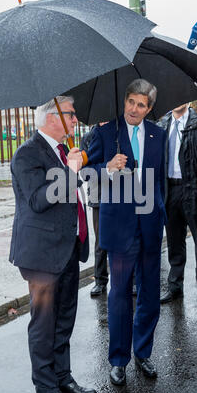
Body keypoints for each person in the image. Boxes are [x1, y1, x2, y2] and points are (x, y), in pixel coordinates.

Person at [9, 96, 97, 393]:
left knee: (64, 319)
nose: (75, 120)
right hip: (41, 255)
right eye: (71, 115)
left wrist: (71, 166)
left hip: (69, 249)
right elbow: (38, 200)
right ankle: (45, 388)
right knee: (44, 324)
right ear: (52, 118)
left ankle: (63, 377)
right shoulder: (27, 154)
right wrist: (71, 172)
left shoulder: (62, 152)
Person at [87, 79, 167, 385]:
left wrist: (159, 212)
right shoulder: (105, 132)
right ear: (125, 101)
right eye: (131, 102)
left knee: (150, 292)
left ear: (149, 108)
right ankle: (118, 359)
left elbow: (160, 181)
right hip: (120, 228)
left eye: (141, 105)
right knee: (119, 293)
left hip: (149, 226)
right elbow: (87, 176)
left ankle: (143, 352)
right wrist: (107, 168)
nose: (134, 109)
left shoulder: (158, 134)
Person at [159, 103, 197, 310]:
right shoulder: (163, 124)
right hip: (171, 190)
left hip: (195, 189)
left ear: (188, 100)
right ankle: (175, 286)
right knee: (175, 241)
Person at [80, 124, 109, 297]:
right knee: (100, 241)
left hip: (122, 194)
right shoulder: (88, 138)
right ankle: (100, 280)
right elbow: (86, 172)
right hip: (98, 196)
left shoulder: (119, 132)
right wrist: (108, 168)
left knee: (125, 238)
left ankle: (132, 279)